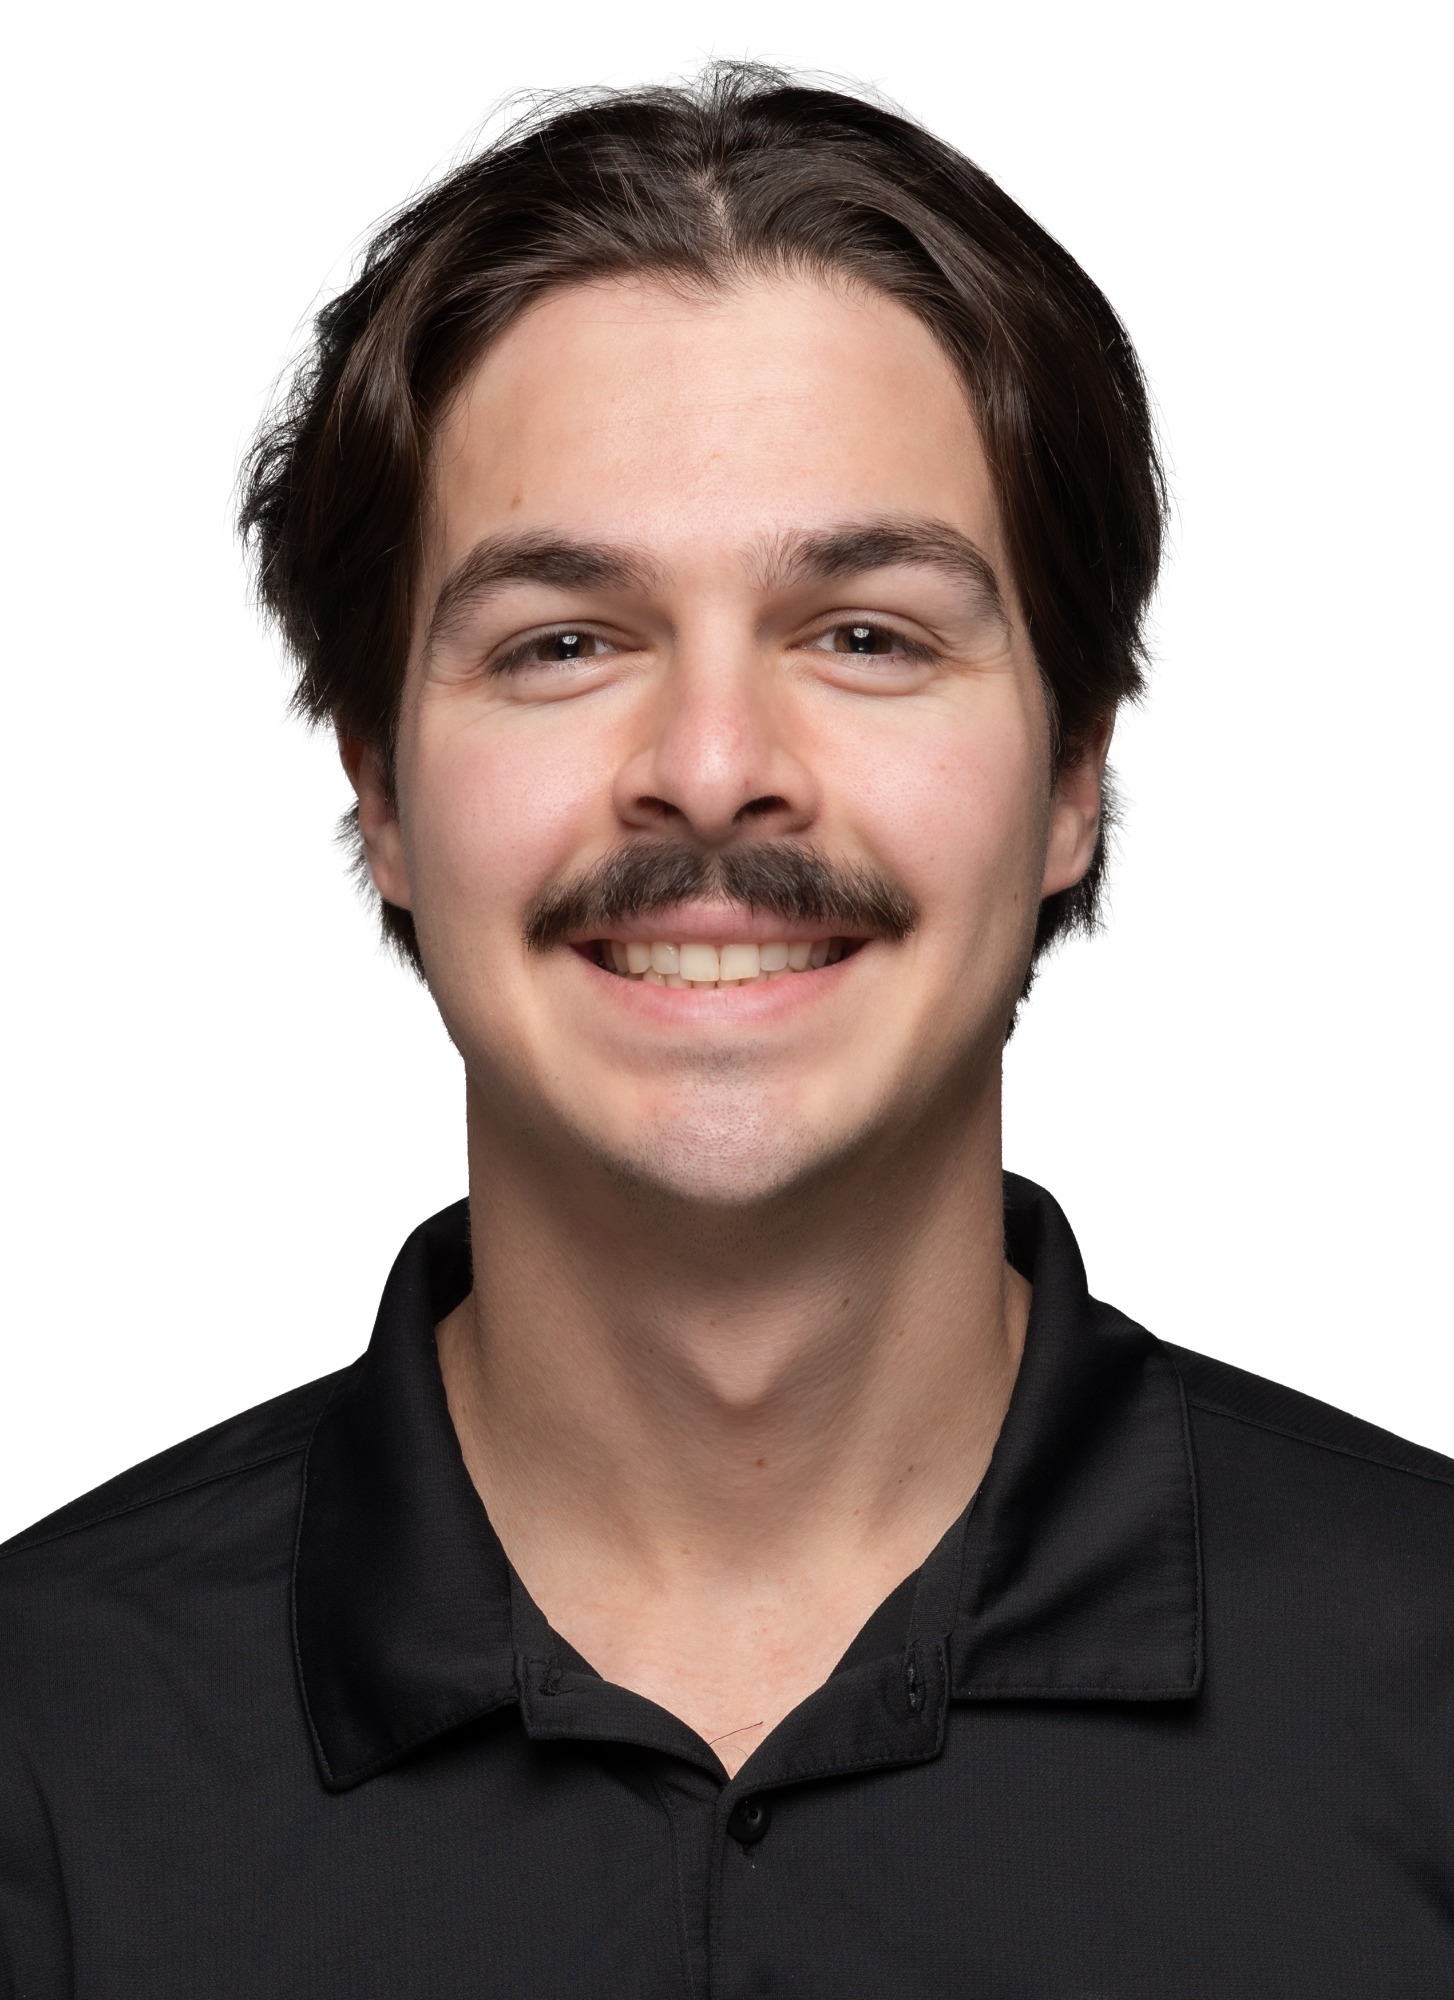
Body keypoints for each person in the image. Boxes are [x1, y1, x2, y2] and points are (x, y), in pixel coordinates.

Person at [2, 63, 1450, 1998]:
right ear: (380, 788)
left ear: (1071, 777)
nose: (709, 772)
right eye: (563, 641)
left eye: (862, 632)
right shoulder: (41, 1749)